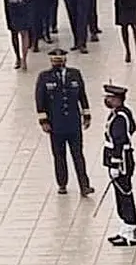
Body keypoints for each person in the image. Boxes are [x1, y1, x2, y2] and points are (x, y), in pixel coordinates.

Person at [36, 49, 95, 196]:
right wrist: (43, 121)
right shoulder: (45, 77)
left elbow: (82, 95)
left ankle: (84, 185)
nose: (58, 63)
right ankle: (62, 183)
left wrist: (86, 115)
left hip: (73, 123)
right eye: (55, 60)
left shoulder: (75, 74)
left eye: (60, 60)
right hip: (56, 124)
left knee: (78, 155)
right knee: (59, 155)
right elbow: (40, 100)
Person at [103, 84, 136, 247]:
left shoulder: (120, 117)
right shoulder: (120, 113)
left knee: (124, 194)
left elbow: (119, 140)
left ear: (117, 100)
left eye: (109, 98)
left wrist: (116, 163)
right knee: (120, 195)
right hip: (120, 158)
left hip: (122, 160)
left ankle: (130, 231)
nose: (107, 100)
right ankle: (124, 228)